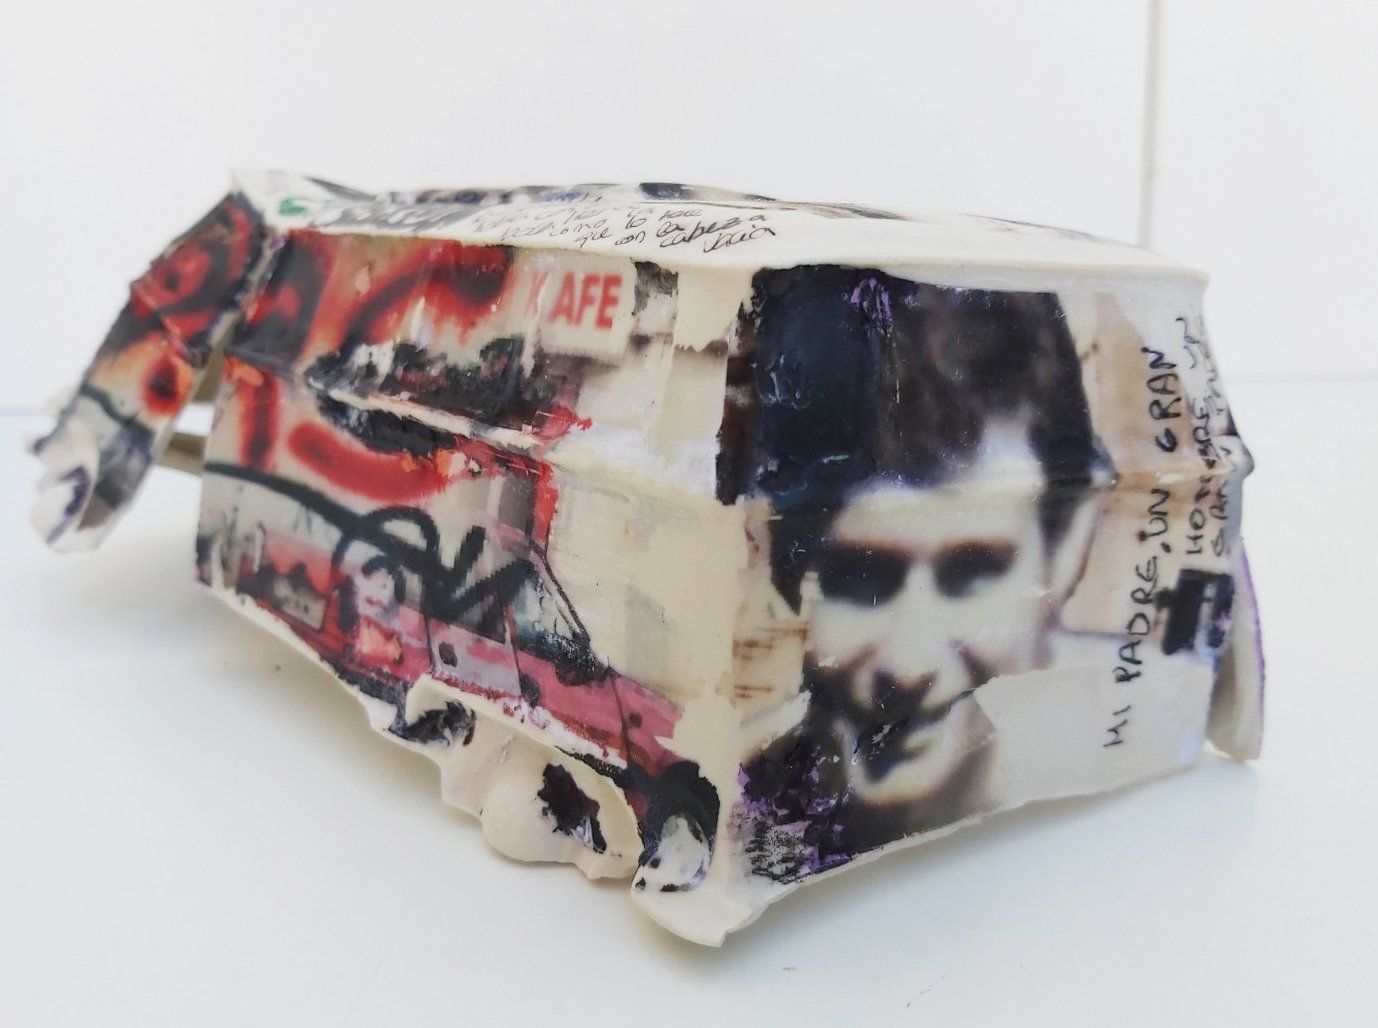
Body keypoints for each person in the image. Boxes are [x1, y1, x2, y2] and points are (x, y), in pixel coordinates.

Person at [730, 267, 1105, 882]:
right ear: (777, 557)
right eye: (859, 579)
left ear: (1067, 548)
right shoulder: (728, 827)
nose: (908, 666)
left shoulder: (1110, 817)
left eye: (972, 574)